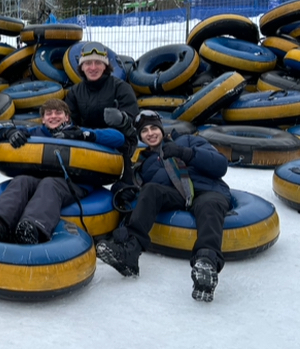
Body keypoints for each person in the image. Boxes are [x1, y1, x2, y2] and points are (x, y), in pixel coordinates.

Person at [95, 110, 232, 303]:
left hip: (207, 190)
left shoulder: (187, 141)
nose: (150, 133)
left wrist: (185, 154)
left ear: (161, 128)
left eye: (153, 128)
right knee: (150, 189)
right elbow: (128, 183)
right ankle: (130, 252)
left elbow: (220, 165)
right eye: (144, 131)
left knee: (209, 207)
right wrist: (122, 190)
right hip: (176, 196)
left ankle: (206, 265)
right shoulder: (144, 163)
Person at [0, 99, 125, 244]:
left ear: (67, 117)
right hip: (37, 179)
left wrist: (83, 135)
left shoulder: (78, 132)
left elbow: (118, 138)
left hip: (73, 183)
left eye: (58, 113)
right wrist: (8, 132)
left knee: (49, 184)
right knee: (21, 180)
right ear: (43, 119)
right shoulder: (35, 132)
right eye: (49, 114)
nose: (53, 116)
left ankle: (34, 228)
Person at [64, 41, 139, 189]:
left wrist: (122, 119)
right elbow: (69, 122)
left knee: (128, 190)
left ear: (105, 66)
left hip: (118, 150)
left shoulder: (122, 88)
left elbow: (134, 122)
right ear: (82, 67)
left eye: (98, 63)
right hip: (85, 148)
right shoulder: (74, 92)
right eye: (88, 63)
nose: (93, 68)